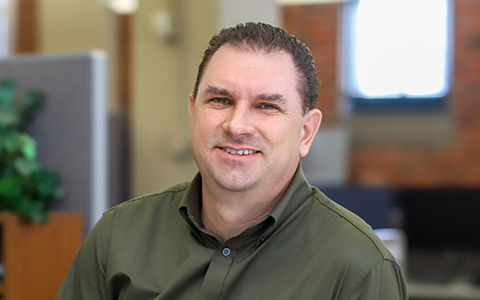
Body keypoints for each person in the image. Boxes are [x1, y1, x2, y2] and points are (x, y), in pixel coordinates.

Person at [57, 22, 407, 300]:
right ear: (194, 112)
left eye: (267, 106)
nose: (237, 125)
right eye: (221, 100)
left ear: (305, 132)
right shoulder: (117, 236)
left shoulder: (360, 268)